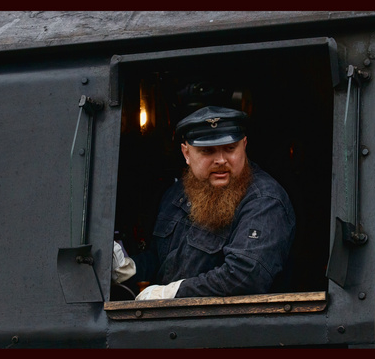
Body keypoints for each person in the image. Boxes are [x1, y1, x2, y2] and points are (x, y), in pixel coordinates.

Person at [113, 106, 295, 300]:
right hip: (171, 325)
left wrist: (173, 293)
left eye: (230, 148)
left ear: (244, 144)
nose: (221, 160)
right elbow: (162, 260)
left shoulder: (265, 201)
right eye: (207, 151)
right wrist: (130, 268)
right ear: (186, 154)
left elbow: (246, 277)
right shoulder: (178, 193)